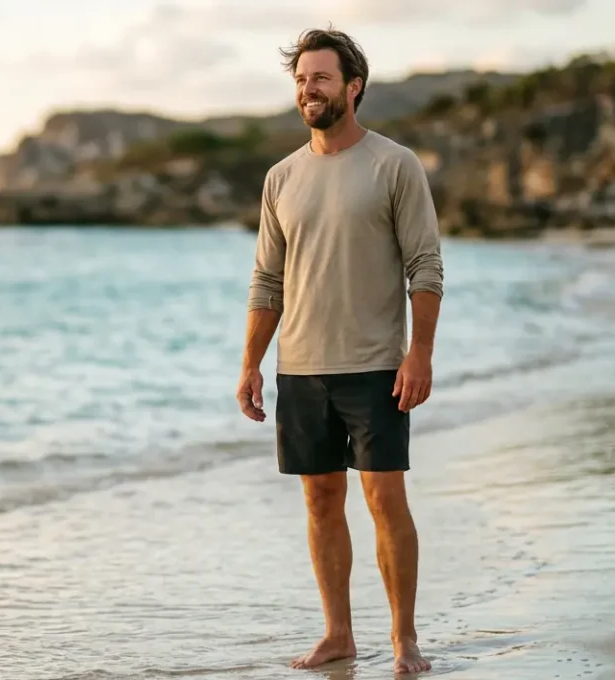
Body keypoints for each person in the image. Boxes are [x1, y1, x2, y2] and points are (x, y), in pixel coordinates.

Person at [235, 27, 444, 675]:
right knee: (320, 500)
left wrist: (421, 354)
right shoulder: (281, 178)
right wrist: (250, 364)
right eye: (301, 79)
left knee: (386, 500)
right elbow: (267, 281)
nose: (308, 89)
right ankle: (338, 635)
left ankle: (404, 640)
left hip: (377, 366)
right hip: (300, 368)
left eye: (320, 78)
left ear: (353, 87)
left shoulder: (394, 164)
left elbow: (425, 267)